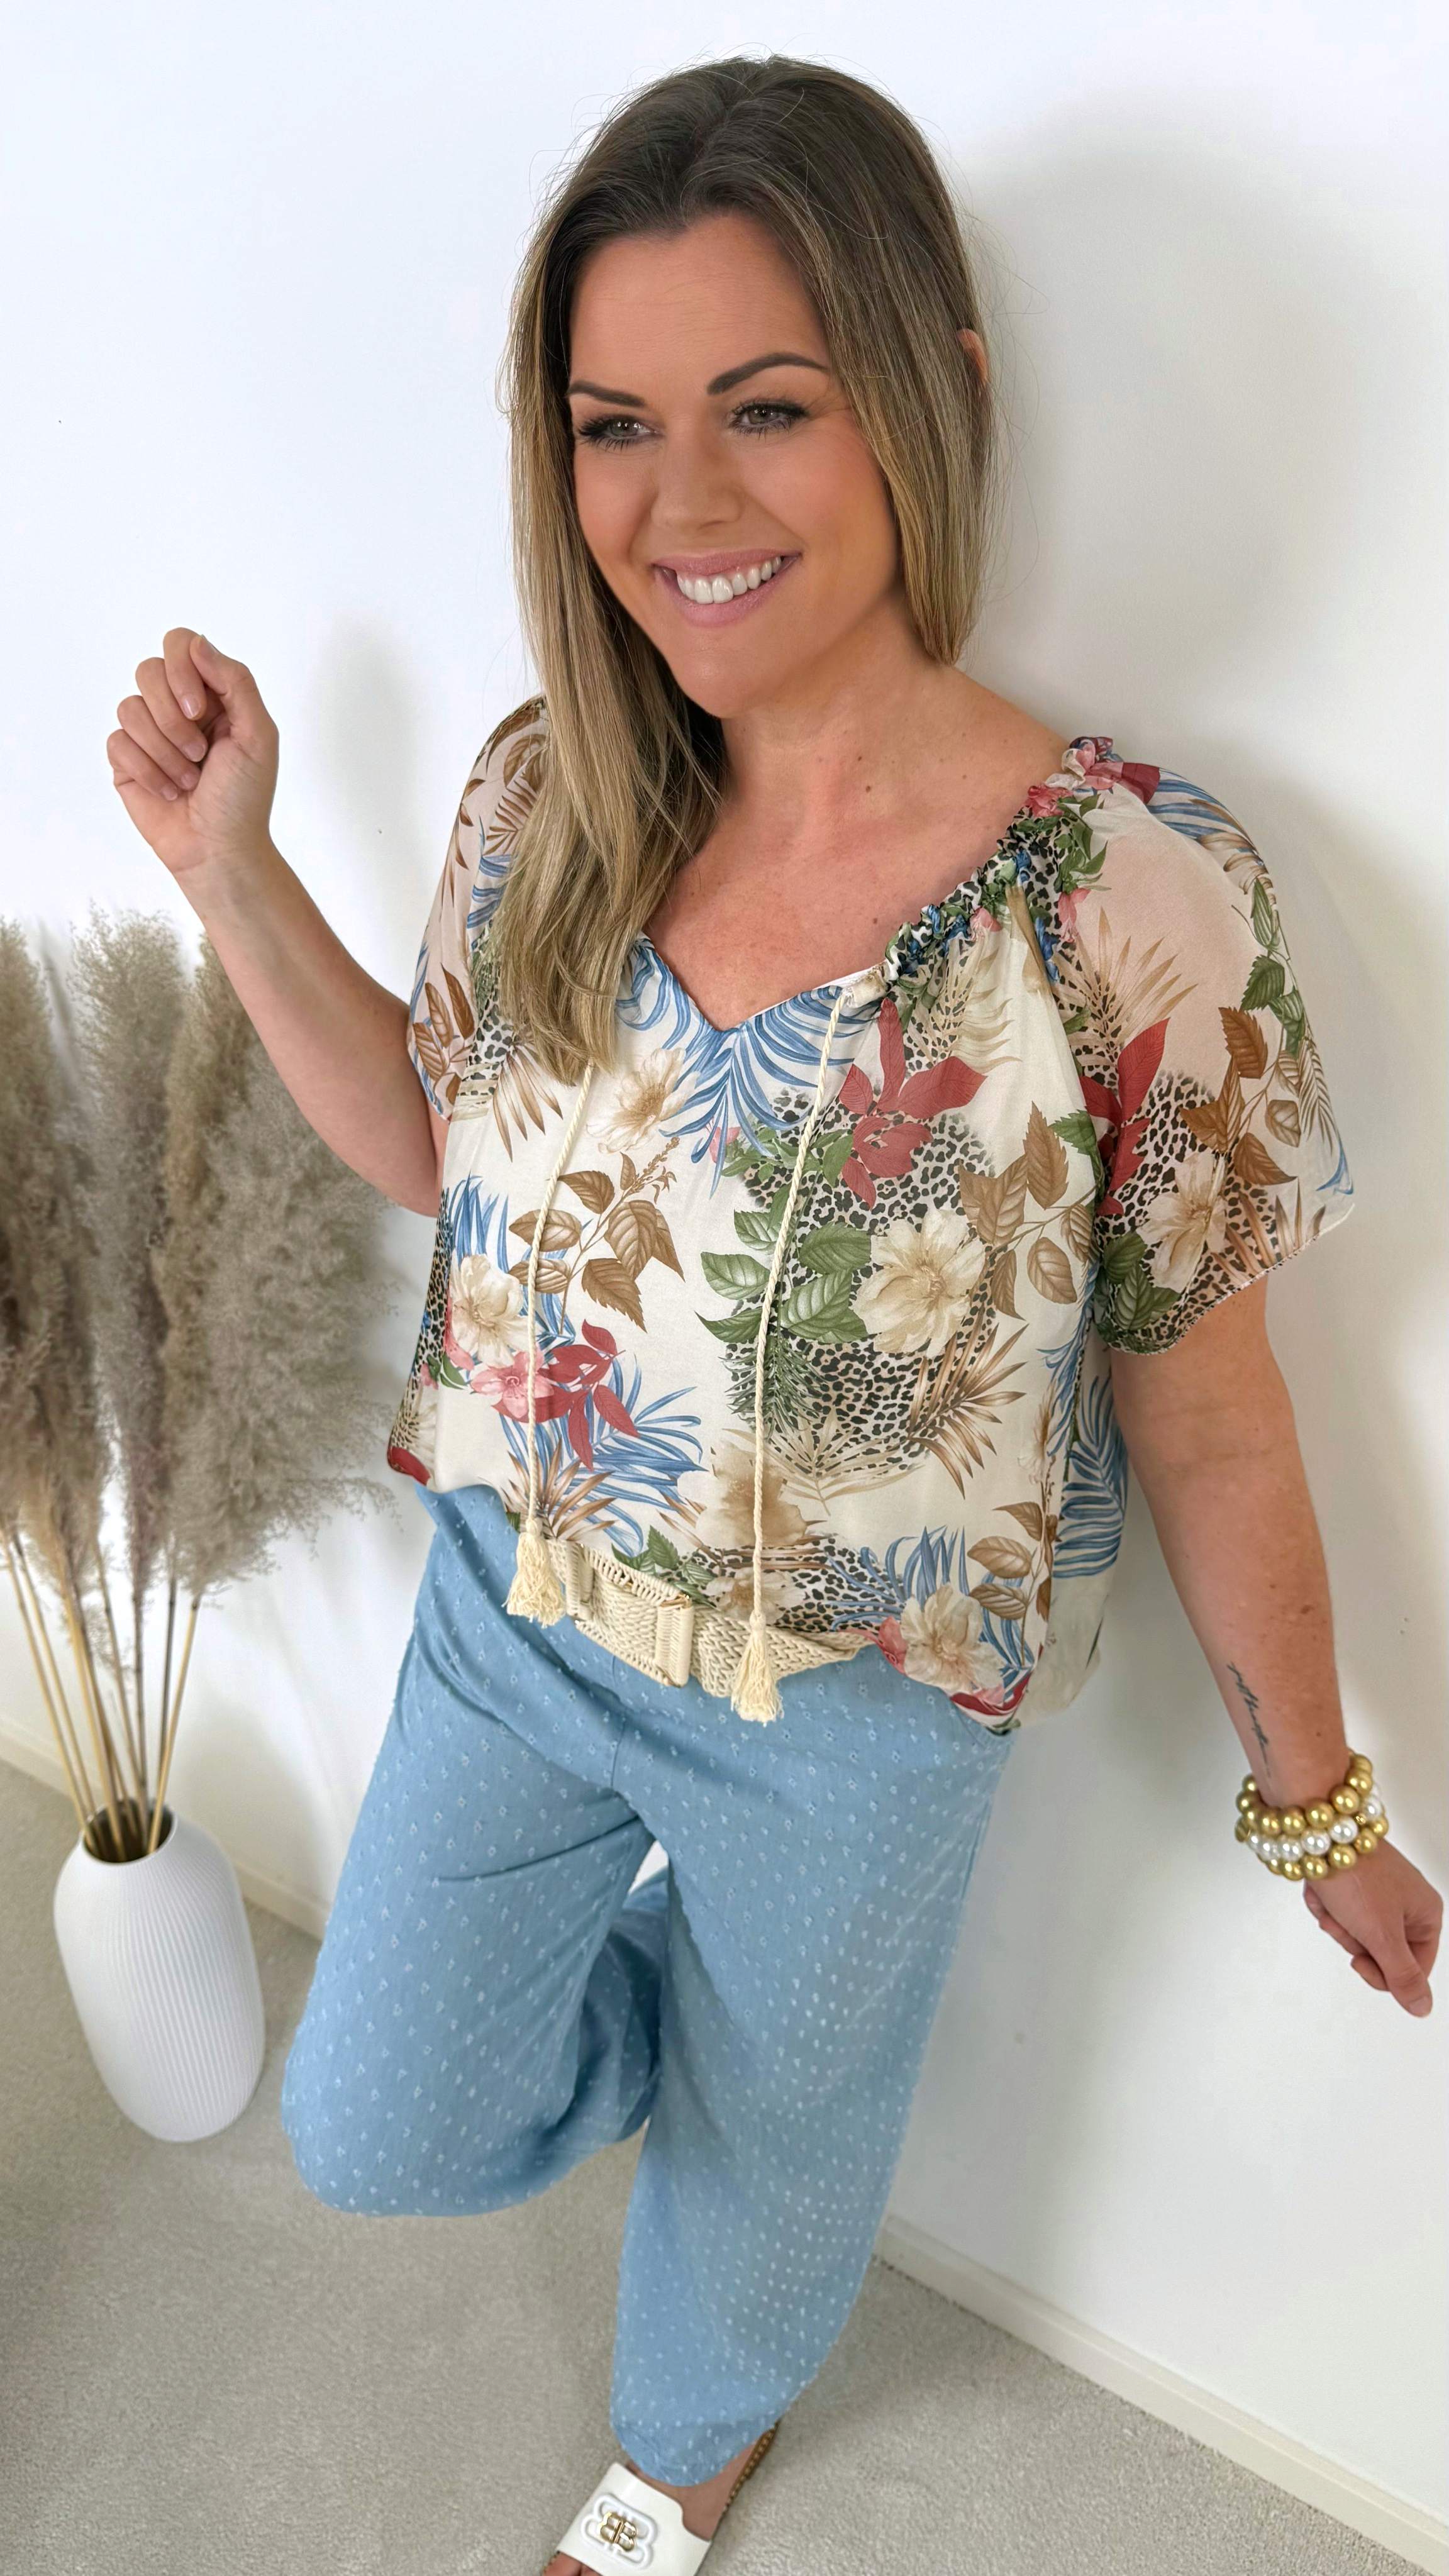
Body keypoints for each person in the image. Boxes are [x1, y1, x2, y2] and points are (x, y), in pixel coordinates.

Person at [106, 53, 1441, 2576]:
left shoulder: (1135, 900)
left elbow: (1214, 1411)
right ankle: (712, 2031)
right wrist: (229, 872)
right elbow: (438, 1156)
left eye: (766, 407)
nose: (681, 505)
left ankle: (686, 2443)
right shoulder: (548, 796)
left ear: (930, 397)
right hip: (523, 1612)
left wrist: (1320, 1797)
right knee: (380, 2119)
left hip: (867, 1714)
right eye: (615, 425)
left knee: (785, 2155)